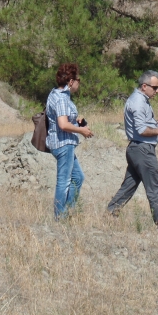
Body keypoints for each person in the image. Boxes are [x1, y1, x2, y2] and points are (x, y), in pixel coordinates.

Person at [107, 70, 158, 229]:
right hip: (142, 150)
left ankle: (110, 211)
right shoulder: (138, 102)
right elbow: (142, 130)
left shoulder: (141, 100)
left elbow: (141, 125)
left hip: (137, 149)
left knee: (129, 184)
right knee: (154, 187)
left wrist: (157, 123)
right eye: (155, 87)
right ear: (144, 86)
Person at [46, 63, 93, 220]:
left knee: (78, 177)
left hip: (63, 143)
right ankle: (61, 216)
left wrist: (77, 120)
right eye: (78, 79)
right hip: (63, 144)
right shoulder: (61, 99)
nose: (79, 83)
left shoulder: (57, 95)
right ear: (71, 81)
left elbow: (65, 120)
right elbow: (63, 125)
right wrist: (82, 130)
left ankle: (68, 211)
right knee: (64, 182)